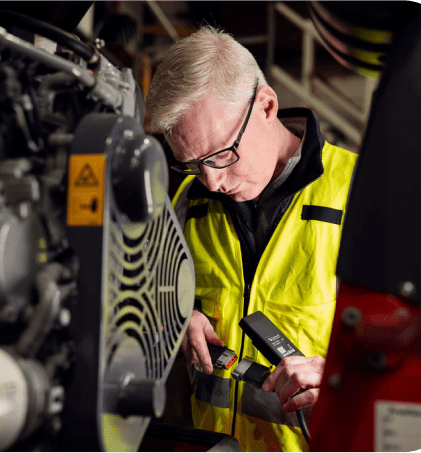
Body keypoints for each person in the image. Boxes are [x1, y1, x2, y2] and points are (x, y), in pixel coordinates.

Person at [145, 26, 357, 452]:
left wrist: (339, 384)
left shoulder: (363, 194)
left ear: (266, 104)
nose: (212, 180)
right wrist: (175, 317)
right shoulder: (191, 201)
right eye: (191, 164)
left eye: (221, 154)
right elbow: (151, 297)